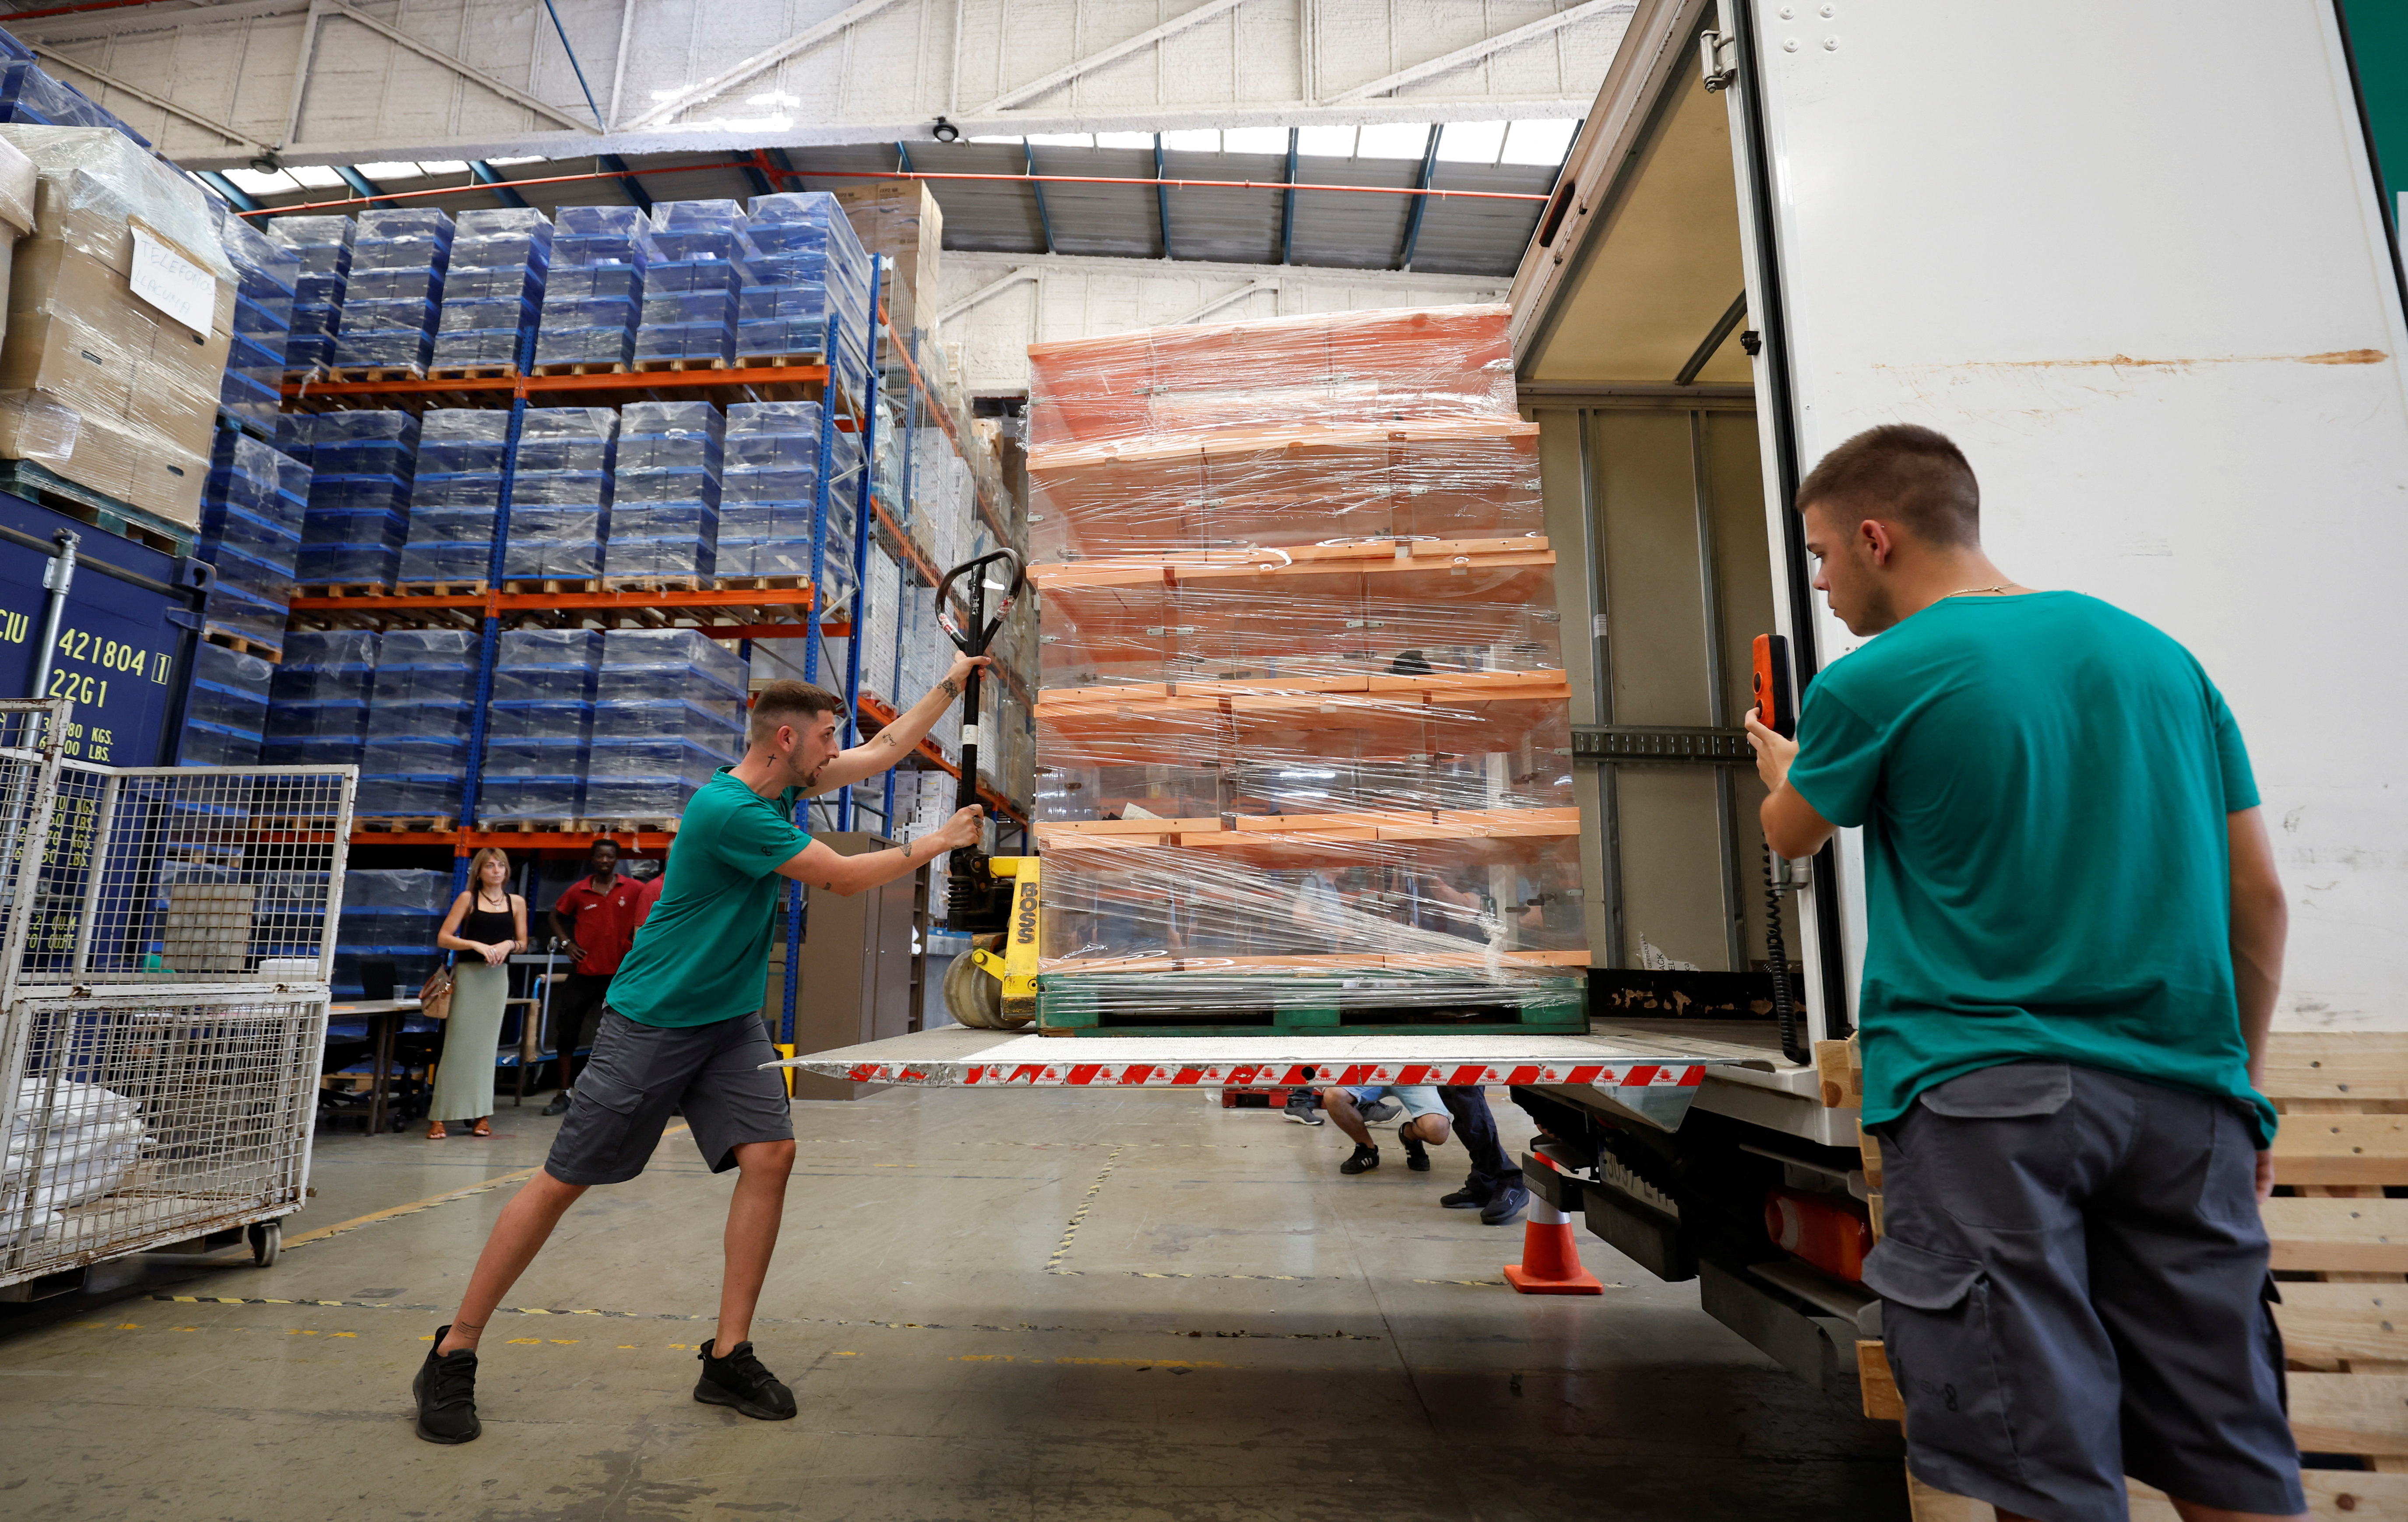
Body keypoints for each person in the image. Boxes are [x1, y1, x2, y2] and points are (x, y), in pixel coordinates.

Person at [1741, 424, 2301, 1522]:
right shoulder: (2158, 658)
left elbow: (1792, 831)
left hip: (1989, 1104)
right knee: (2225, 1443)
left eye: (1818, 555)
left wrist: (1784, 762)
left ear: (1873, 536)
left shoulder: (1877, 679)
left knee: (2037, 1463)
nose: (1819, 581)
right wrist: (2243, 1090)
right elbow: (2259, 900)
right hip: (2186, 1105)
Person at [412, 660, 989, 1445]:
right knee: (563, 1182)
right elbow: (847, 879)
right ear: (786, 739)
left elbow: (886, 749)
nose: (835, 753)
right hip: (654, 1021)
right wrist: (940, 841)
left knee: (771, 1155)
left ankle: (727, 1356)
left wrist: (952, 683)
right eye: (825, 739)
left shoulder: (782, 786)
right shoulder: (730, 812)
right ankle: (454, 1350)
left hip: (729, 1022)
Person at [426, 848, 526, 1141]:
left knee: (485, 1050)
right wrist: (475, 945)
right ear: (479, 872)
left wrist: (509, 945)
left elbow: (523, 942)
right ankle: (439, 1116)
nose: (496, 871)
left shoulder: (516, 903)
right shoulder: (468, 899)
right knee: (457, 1046)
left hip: (497, 981)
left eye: (501, 866)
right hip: (470, 978)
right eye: (490, 866)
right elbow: (444, 937)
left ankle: (482, 1115)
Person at [541, 838, 642, 1117]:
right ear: (593, 859)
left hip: (620, 976)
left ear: (617, 859)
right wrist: (567, 944)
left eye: (610, 857)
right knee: (567, 1033)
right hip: (584, 974)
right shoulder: (580, 890)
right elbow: (555, 916)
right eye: (600, 857)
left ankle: (622, 1094)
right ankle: (563, 1093)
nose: (605, 861)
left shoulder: (634, 889)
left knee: (624, 1035)